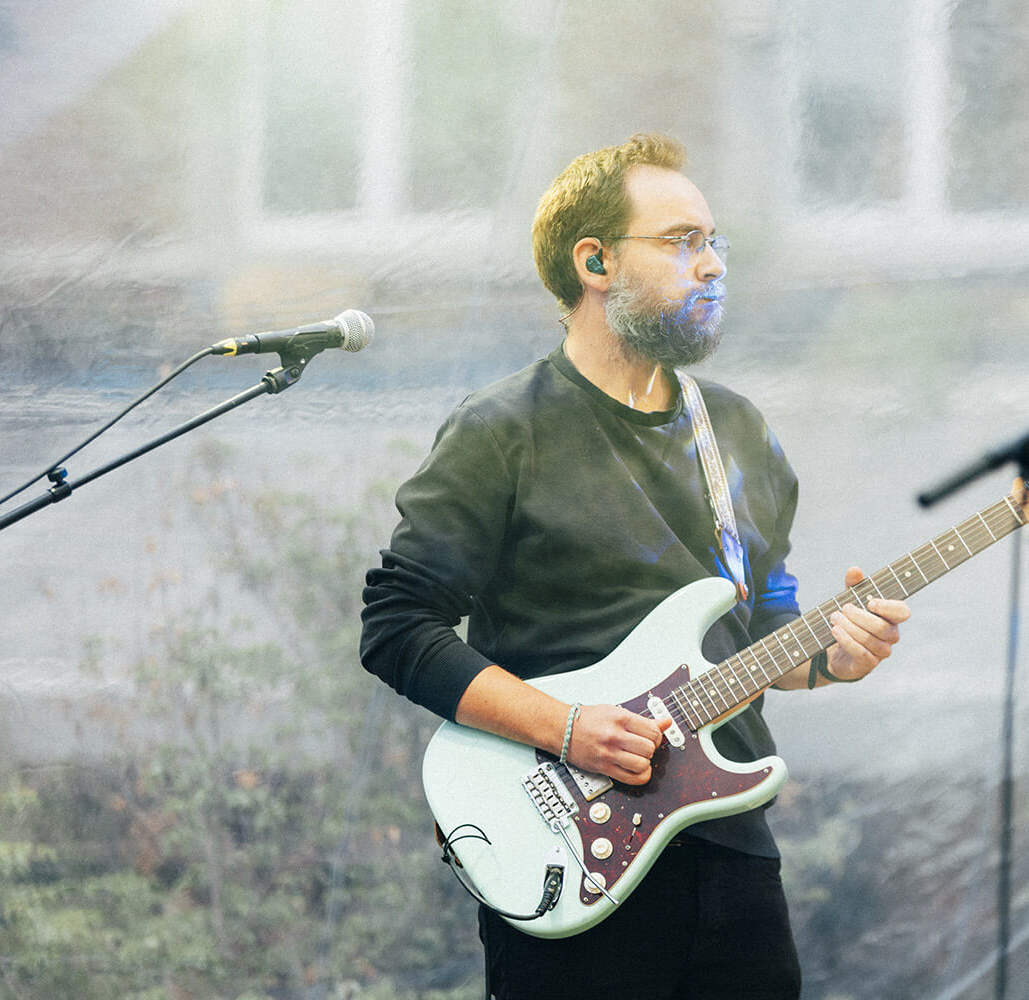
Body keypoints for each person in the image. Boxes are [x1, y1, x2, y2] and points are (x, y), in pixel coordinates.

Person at [359, 132, 911, 1000]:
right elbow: (397, 630)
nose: (713, 265)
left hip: (731, 856)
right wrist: (565, 727)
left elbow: (764, 627)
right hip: (569, 851)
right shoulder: (502, 431)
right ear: (595, 261)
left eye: (715, 242)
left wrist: (833, 657)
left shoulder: (739, 434)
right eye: (681, 241)